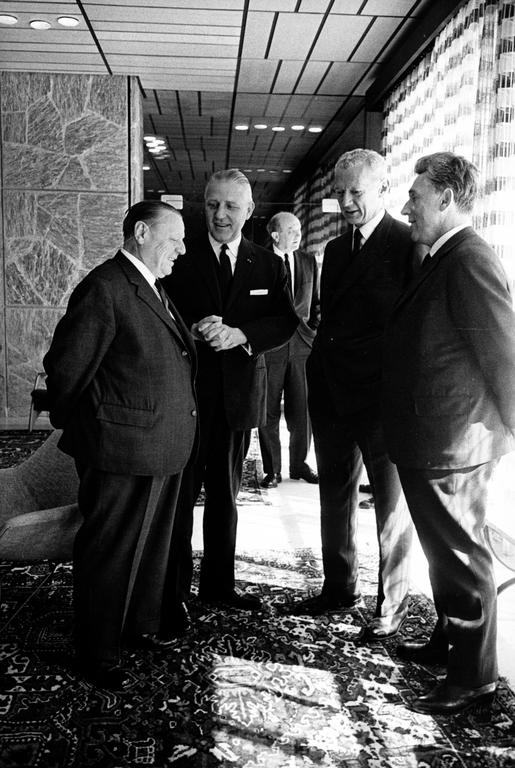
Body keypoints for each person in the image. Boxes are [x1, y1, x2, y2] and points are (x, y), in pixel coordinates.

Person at [43, 201, 198, 690]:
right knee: (109, 552)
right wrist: (90, 429)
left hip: (159, 447)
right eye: (174, 239)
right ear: (142, 232)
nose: (182, 250)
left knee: (150, 548)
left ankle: (138, 626)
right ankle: (97, 650)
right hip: (120, 450)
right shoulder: (105, 286)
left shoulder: (151, 286)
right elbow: (66, 370)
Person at [383, 151, 515, 715]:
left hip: (454, 443)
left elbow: (503, 352)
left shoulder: (468, 259)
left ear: (445, 197)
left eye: (415, 196)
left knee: (462, 557)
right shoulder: (442, 256)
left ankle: (473, 676)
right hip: (430, 436)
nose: (408, 205)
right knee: (444, 554)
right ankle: (448, 641)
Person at [163, 168, 298, 612]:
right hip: (186, 397)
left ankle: (219, 587)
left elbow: (284, 321)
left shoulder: (268, 262)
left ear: (250, 211)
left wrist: (241, 334)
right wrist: (195, 331)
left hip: (238, 397)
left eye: (231, 207)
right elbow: (160, 307)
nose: (220, 215)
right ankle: (173, 591)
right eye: (213, 205)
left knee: (225, 496)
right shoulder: (180, 255)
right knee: (180, 497)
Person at [293, 148, 414, 642]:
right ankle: (339, 588)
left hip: (383, 402)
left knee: (391, 509)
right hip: (333, 396)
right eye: (339, 192)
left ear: (384, 189)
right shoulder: (337, 251)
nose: (345, 201)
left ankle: (393, 604)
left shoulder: (409, 245)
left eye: (355, 192)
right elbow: (329, 321)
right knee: (333, 496)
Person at [258, 211, 320, 488]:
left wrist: (313, 332)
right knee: (267, 411)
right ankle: (273, 470)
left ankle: (299, 465)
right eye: (292, 230)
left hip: (303, 346)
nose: (298, 235)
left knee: (303, 410)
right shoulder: (258, 262)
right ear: (275, 235)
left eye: (299, 230)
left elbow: (316, 302)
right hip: (270, 347)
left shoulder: (308, 261)